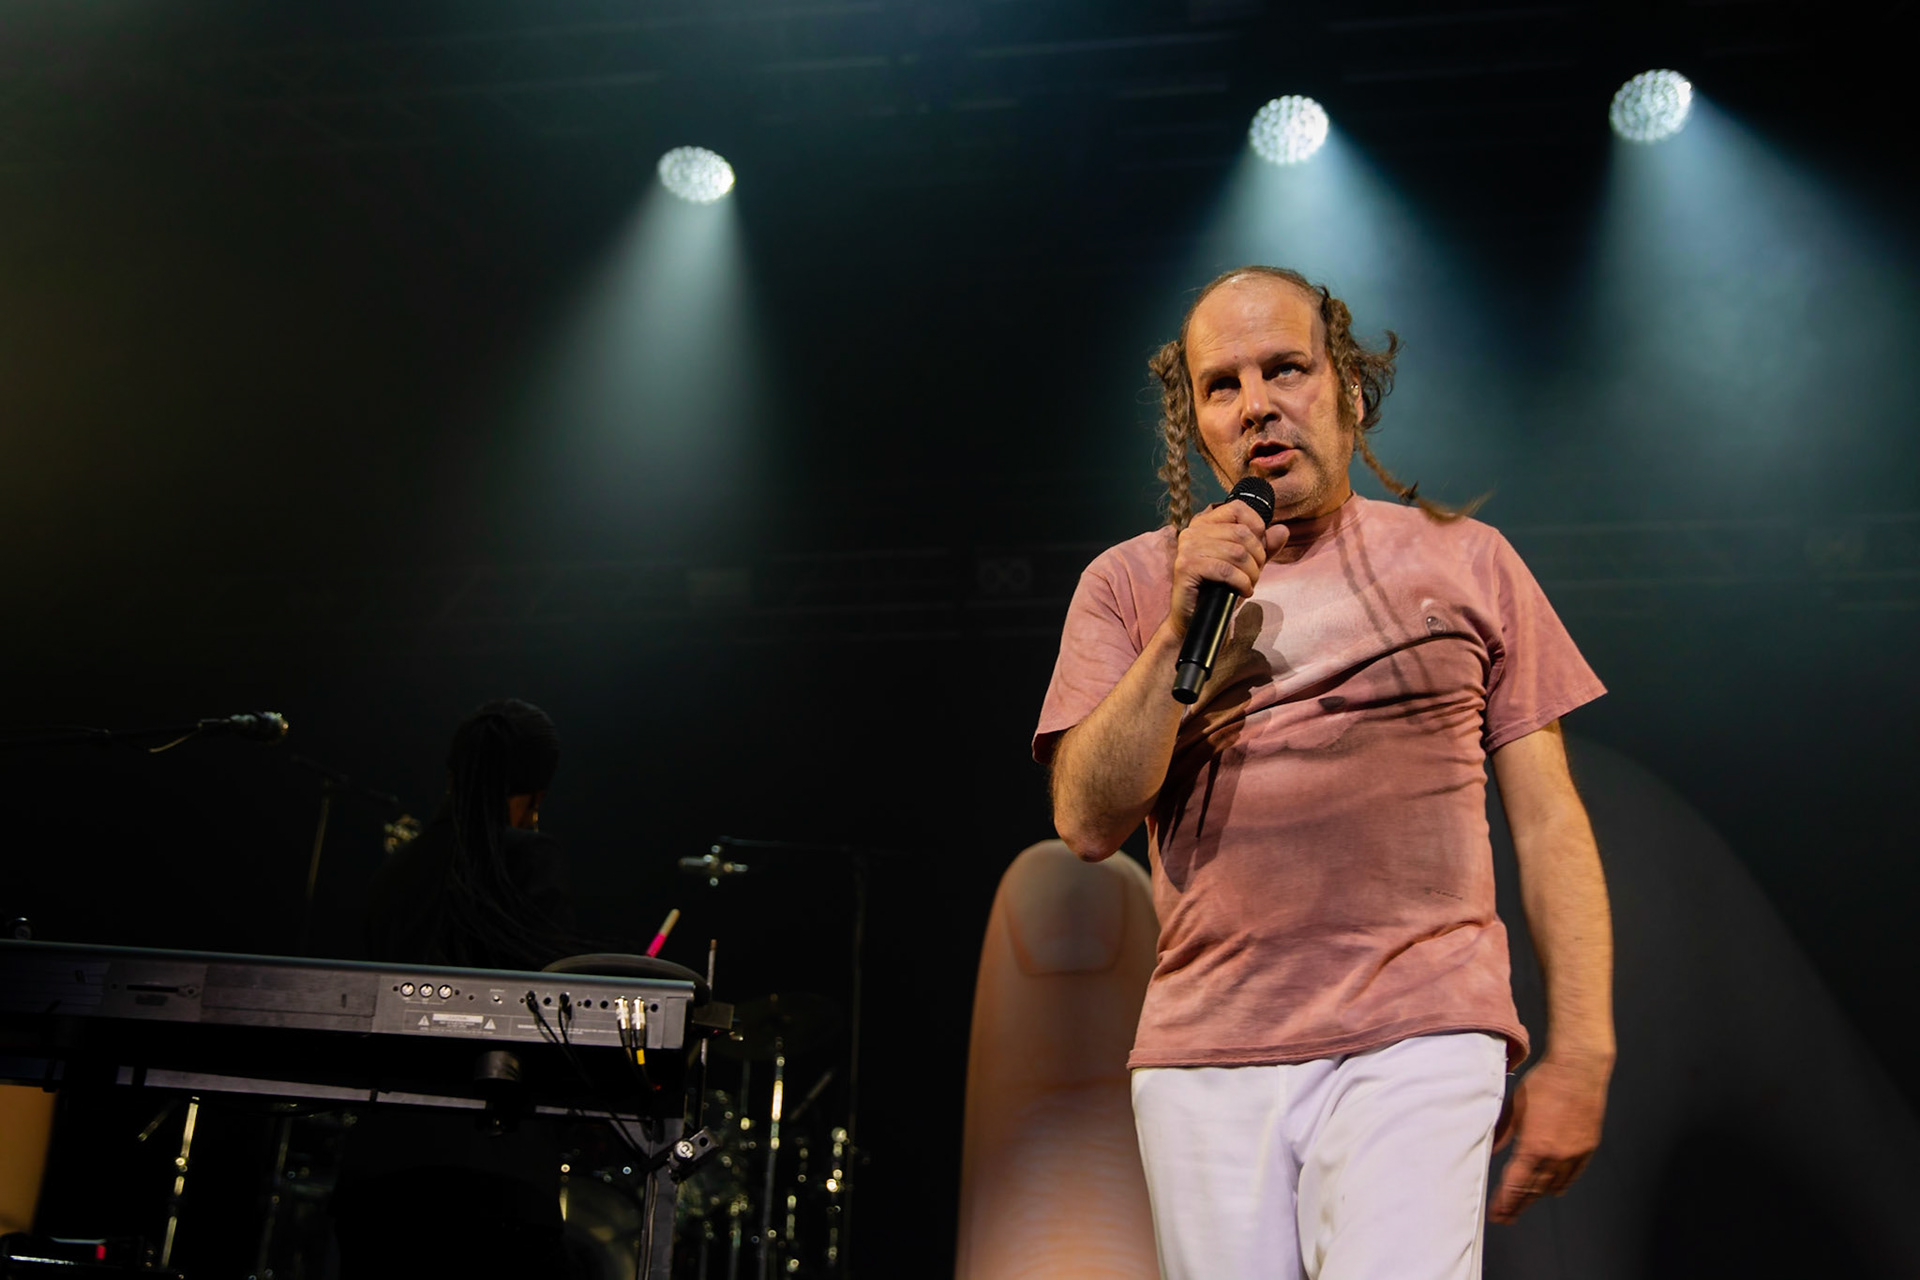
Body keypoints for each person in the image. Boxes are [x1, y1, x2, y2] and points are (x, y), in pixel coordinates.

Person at [1035, 267, 1614, 1280]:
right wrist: (1180, 631)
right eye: (1223, 384)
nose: (1257, 400)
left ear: (1347, 387)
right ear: (1198, 424)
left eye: (1285, 368)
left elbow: (1550, 815)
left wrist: (1587, 1046)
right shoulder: (1132, 584)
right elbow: (1086, 821)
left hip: (1420, 1027)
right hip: (1203, 1052)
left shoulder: (1470, 560)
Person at [335, 698, 582, 1278]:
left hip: (377, 1174)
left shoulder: (395, 871)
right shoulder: (529, 858)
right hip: (494, 1173)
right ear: (538, 798)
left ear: (451, 776)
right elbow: (554, 1013)